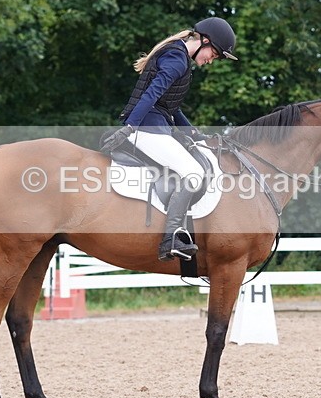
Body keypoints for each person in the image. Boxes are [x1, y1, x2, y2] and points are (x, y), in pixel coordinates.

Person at [101, 17, 238, 261]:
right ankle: (172, 236)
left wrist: (193, 133)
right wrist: (131, 126)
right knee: (193, 172)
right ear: (204, 40)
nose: (210, 60)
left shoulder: (180, 59)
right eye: (213, 54)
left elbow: (170, 107)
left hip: (156, 125)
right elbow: (152, 94)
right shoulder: (176, 60)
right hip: (146, 128)